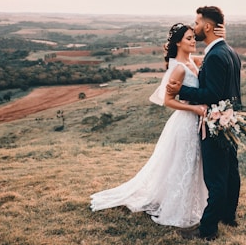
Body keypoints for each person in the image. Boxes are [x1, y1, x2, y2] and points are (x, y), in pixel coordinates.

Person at [90, 23, 213, 227]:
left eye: (193, 38)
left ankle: (194, 204)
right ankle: (176, 208)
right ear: (178, 43)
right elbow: (168, 101)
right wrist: (196, 109)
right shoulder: (179, 69)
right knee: (184, 165)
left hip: (196, 121)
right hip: (186, 122)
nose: (193, 41)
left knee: (194, 164)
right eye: (189, 38)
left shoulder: (193, 62)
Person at [167, 6, 242, 241]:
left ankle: (208, 228)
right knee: (231, 171)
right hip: (229, 120)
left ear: (207, 27)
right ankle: (228, 216)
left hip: (216, 123)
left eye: (197, 22)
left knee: (216, 178)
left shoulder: (217, 55)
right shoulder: (229, 51)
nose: (195, 26)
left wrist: (183, 90)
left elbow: (212, 93)